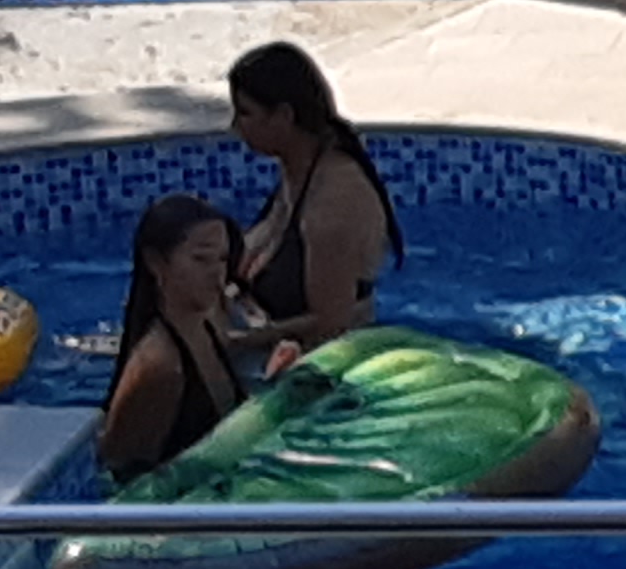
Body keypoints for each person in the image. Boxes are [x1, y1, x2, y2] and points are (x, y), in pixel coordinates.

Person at [225, 41, 402, 357]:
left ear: (283, 116)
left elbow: (331, 323)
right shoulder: (298, 167)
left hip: (324, 363)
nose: (235, 127)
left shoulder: (333, 201)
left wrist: (234, 343)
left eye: (245, 113)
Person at [97, 197, 253, 484]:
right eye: (201, 259)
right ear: (156, 263)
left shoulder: (208, 325)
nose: (217, 274)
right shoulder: (161, 365)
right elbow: (126, 475)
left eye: (222, 259)